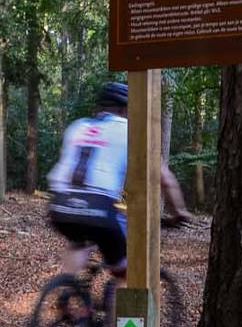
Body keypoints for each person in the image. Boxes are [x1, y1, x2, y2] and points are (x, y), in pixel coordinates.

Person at [46, 81, 189, 277]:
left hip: (59, 205)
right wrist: (179, 212)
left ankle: (67, 290)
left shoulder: (77, 126)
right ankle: (115, 305)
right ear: (125, 109)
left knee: (79, 242)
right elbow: (165, 178)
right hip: (98, 206)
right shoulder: (131, 130)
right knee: (124, 272)